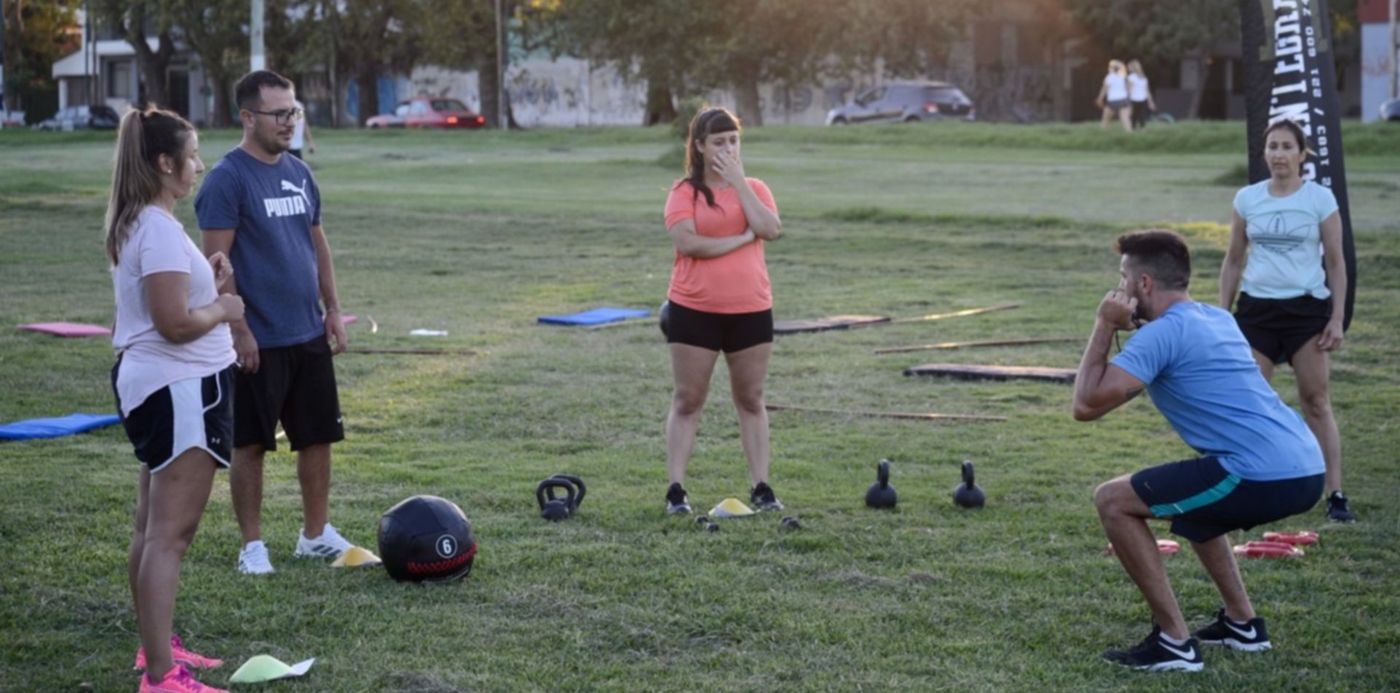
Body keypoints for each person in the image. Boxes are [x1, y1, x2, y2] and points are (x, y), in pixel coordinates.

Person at [1074, 229, 1324, 672]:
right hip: (1306, 465)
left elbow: (1086, 405)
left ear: (1144, 284)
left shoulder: (1161, 336)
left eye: (1123, 278)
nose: (1119, 289)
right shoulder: (1217, 318)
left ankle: (1174, 643)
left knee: (1112, 500)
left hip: (1260, 473)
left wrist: (1103, 323)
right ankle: (1243, 624)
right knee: (1201, 505)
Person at [197, 70, 354, 575]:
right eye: (279, 113)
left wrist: (332, 309)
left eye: (294, 111)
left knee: (317, 436)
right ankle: (252, 546)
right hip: (256, 340)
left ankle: (315, 533)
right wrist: (238, 330)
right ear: (248, 117)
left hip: (306, 331)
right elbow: (216, 265)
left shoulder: (300, 172)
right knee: (250, 443)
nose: (290, 122)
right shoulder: (227, 179)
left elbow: (318, 245)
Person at [107, 107, 242, 692]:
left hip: (161, 386)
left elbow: (170, 299)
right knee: (170, 535)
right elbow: (173, 323)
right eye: (191, 156)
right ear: (164, 164)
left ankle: (155, 650)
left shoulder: (144, 219)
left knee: (149, 527)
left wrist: (206, 279)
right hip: (180, 388)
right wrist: (224, 310)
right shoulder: (158, 227)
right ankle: (162, 677)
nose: (198, 165)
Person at [1218, 119, 1353, 523]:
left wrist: (1337, 318)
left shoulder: (1319, 199)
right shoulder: (1247, 198)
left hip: (1305, 314)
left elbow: (1335, 262)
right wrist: (1223, 313)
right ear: (1265, 153)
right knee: (1249, 403)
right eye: (1272, 146)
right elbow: (1234, 259)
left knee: (1315, 402)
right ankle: (1246, 485)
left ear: (1301, 153)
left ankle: (1336, 495)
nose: (1278, 153)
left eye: (1286, 146)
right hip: (1257, 313)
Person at [661, 106, 784, 515]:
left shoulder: (756, 188)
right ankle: (676, 491)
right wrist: (741, 238)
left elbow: (770, 229)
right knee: (688, 400)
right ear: (699, 146)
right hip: (693, 310)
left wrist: (737, 183)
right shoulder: (684, 193)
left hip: (750, 309)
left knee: (751, 399)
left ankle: (762, 487)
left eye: (733, 140)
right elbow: (690, 244)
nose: (728, 148)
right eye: (718, 142)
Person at [1096, 59, 1133, 133]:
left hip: (1112, 100)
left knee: (1105, 120)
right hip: (1123, 99)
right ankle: (1130, 134)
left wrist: (1099, 99)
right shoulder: (1124, 76)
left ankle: (1103, 135)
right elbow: (1129, 88)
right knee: (1125, 119)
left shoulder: (1109, 77)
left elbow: (1104, 89)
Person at [1127, 60, 1156, 130]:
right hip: (1143, 98)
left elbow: (1129, 90)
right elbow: (1147, 91)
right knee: (1141, 115)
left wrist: (1127, 99)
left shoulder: (1131, 77)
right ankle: (1142, 129)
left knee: (1133, 115)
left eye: (1129, 67)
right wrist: (1150, 102)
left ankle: (1132, 129)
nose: (1128, 68)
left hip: (1134, 99)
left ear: (1132, 68)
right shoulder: (1144, 77)